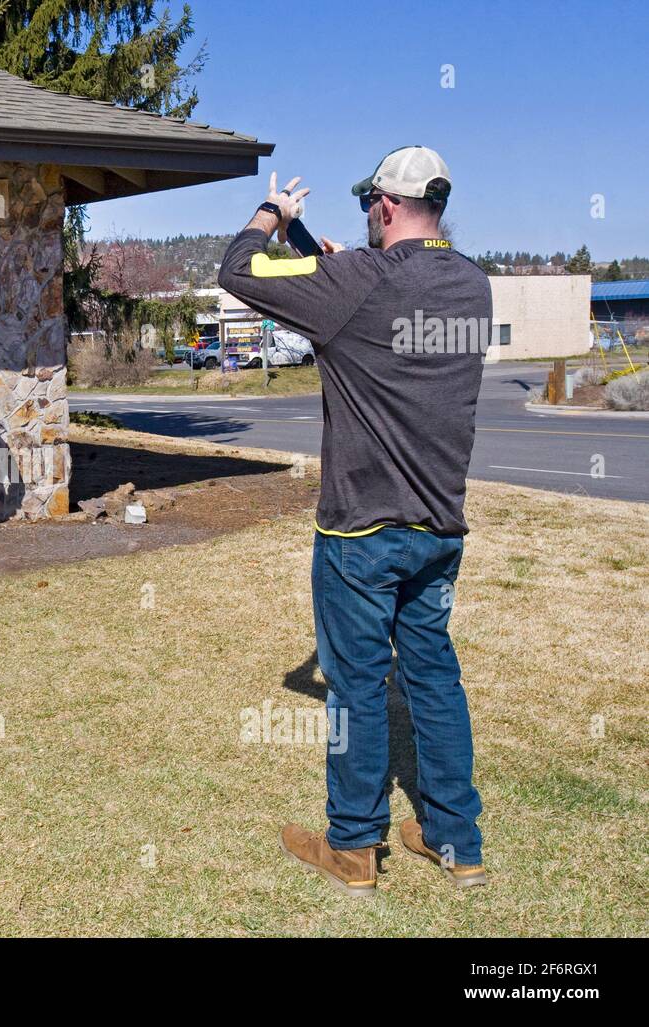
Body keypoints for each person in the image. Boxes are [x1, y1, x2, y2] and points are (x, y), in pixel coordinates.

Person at [218, 146, 491, 896]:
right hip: (439, 526)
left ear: (382, 205)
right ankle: (456, 840)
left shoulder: (357, 281)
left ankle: (353, 846)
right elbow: (375, 319)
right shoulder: (472, 284)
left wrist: (277, 218)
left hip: (361, 529)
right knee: (434, 677)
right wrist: (326, 261)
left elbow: (236, 269)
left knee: (358, 687)